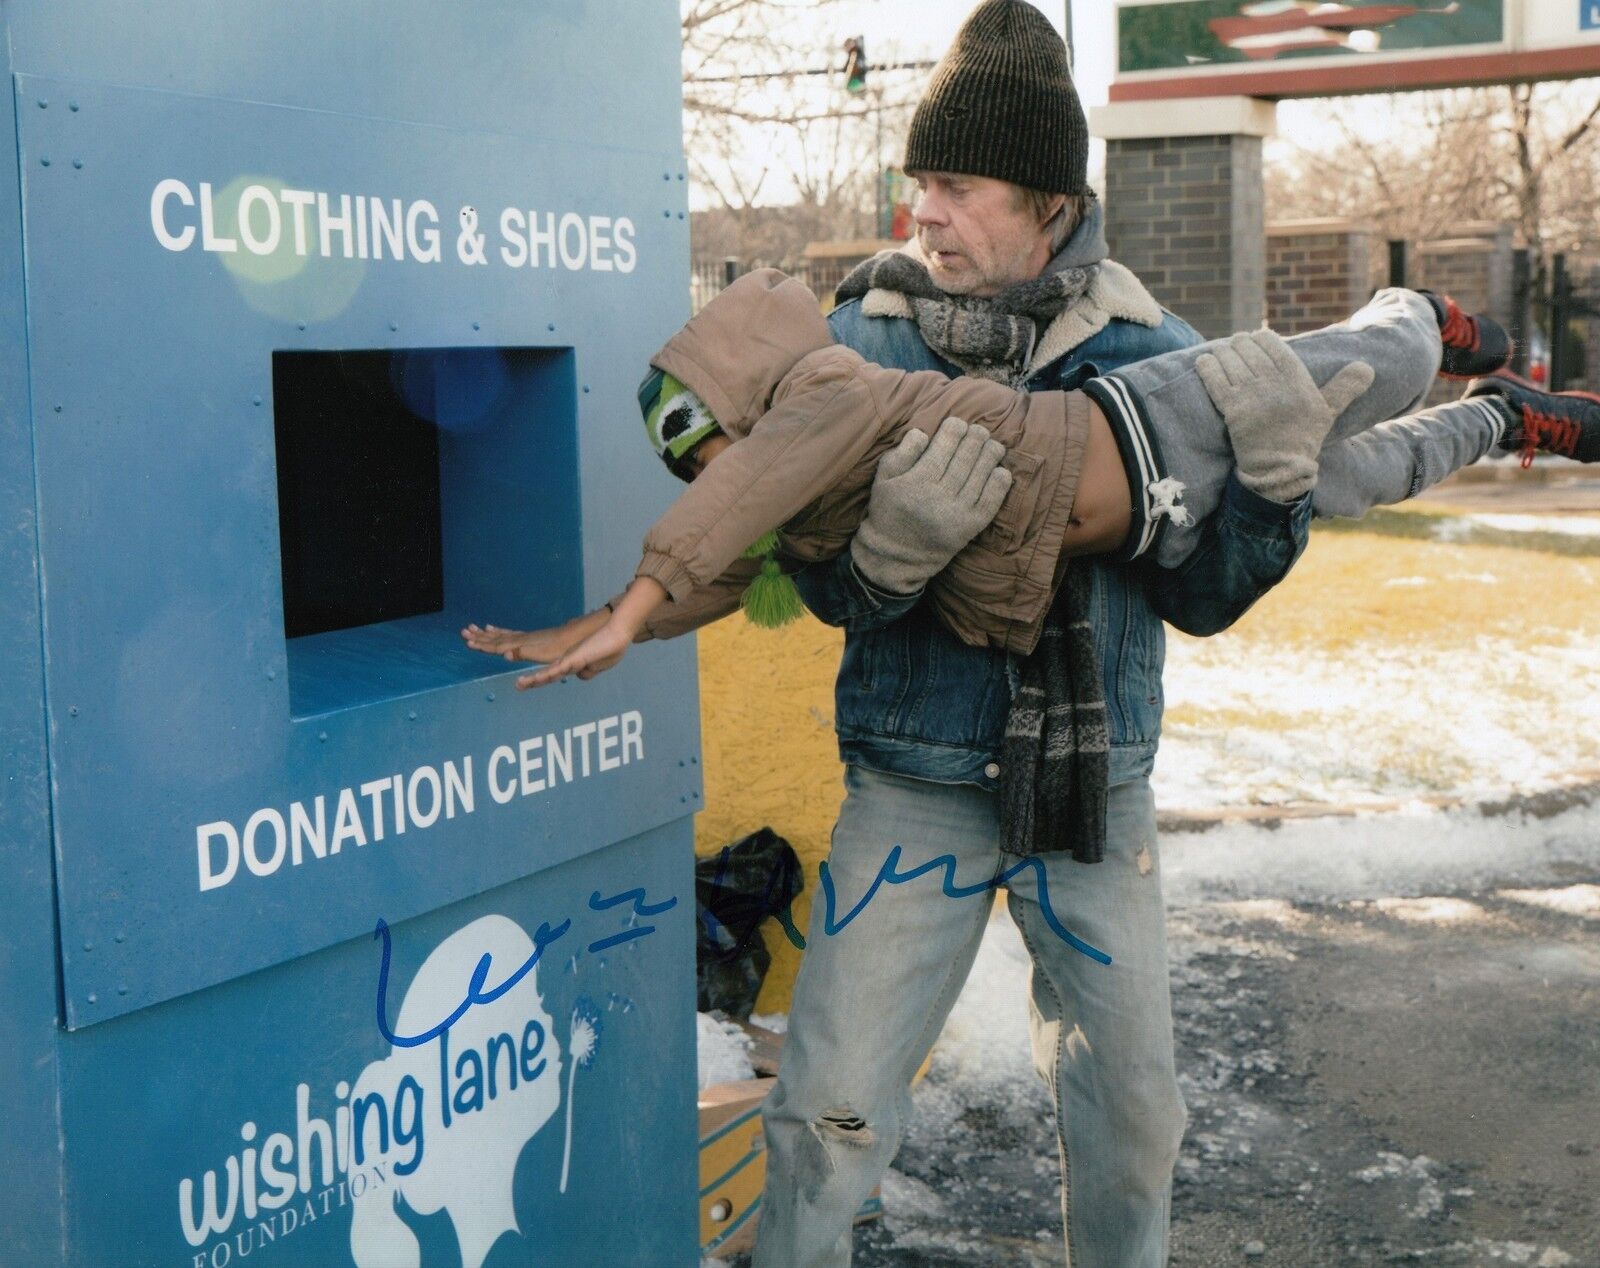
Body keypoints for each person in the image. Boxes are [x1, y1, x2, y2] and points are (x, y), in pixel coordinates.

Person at [461, 271, 1595, 695]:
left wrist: (637, 598)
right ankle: (1507, 417)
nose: (710, 478)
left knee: (1373, 369)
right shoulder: (802, 496)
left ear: (741, 409)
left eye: (700, 450)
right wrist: (598, 623)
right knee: (1362, 477)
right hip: (1161, 521)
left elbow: (729, 505)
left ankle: (1425, 315)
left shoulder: (831, 394)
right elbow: (732, 560)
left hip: (1164, 418)